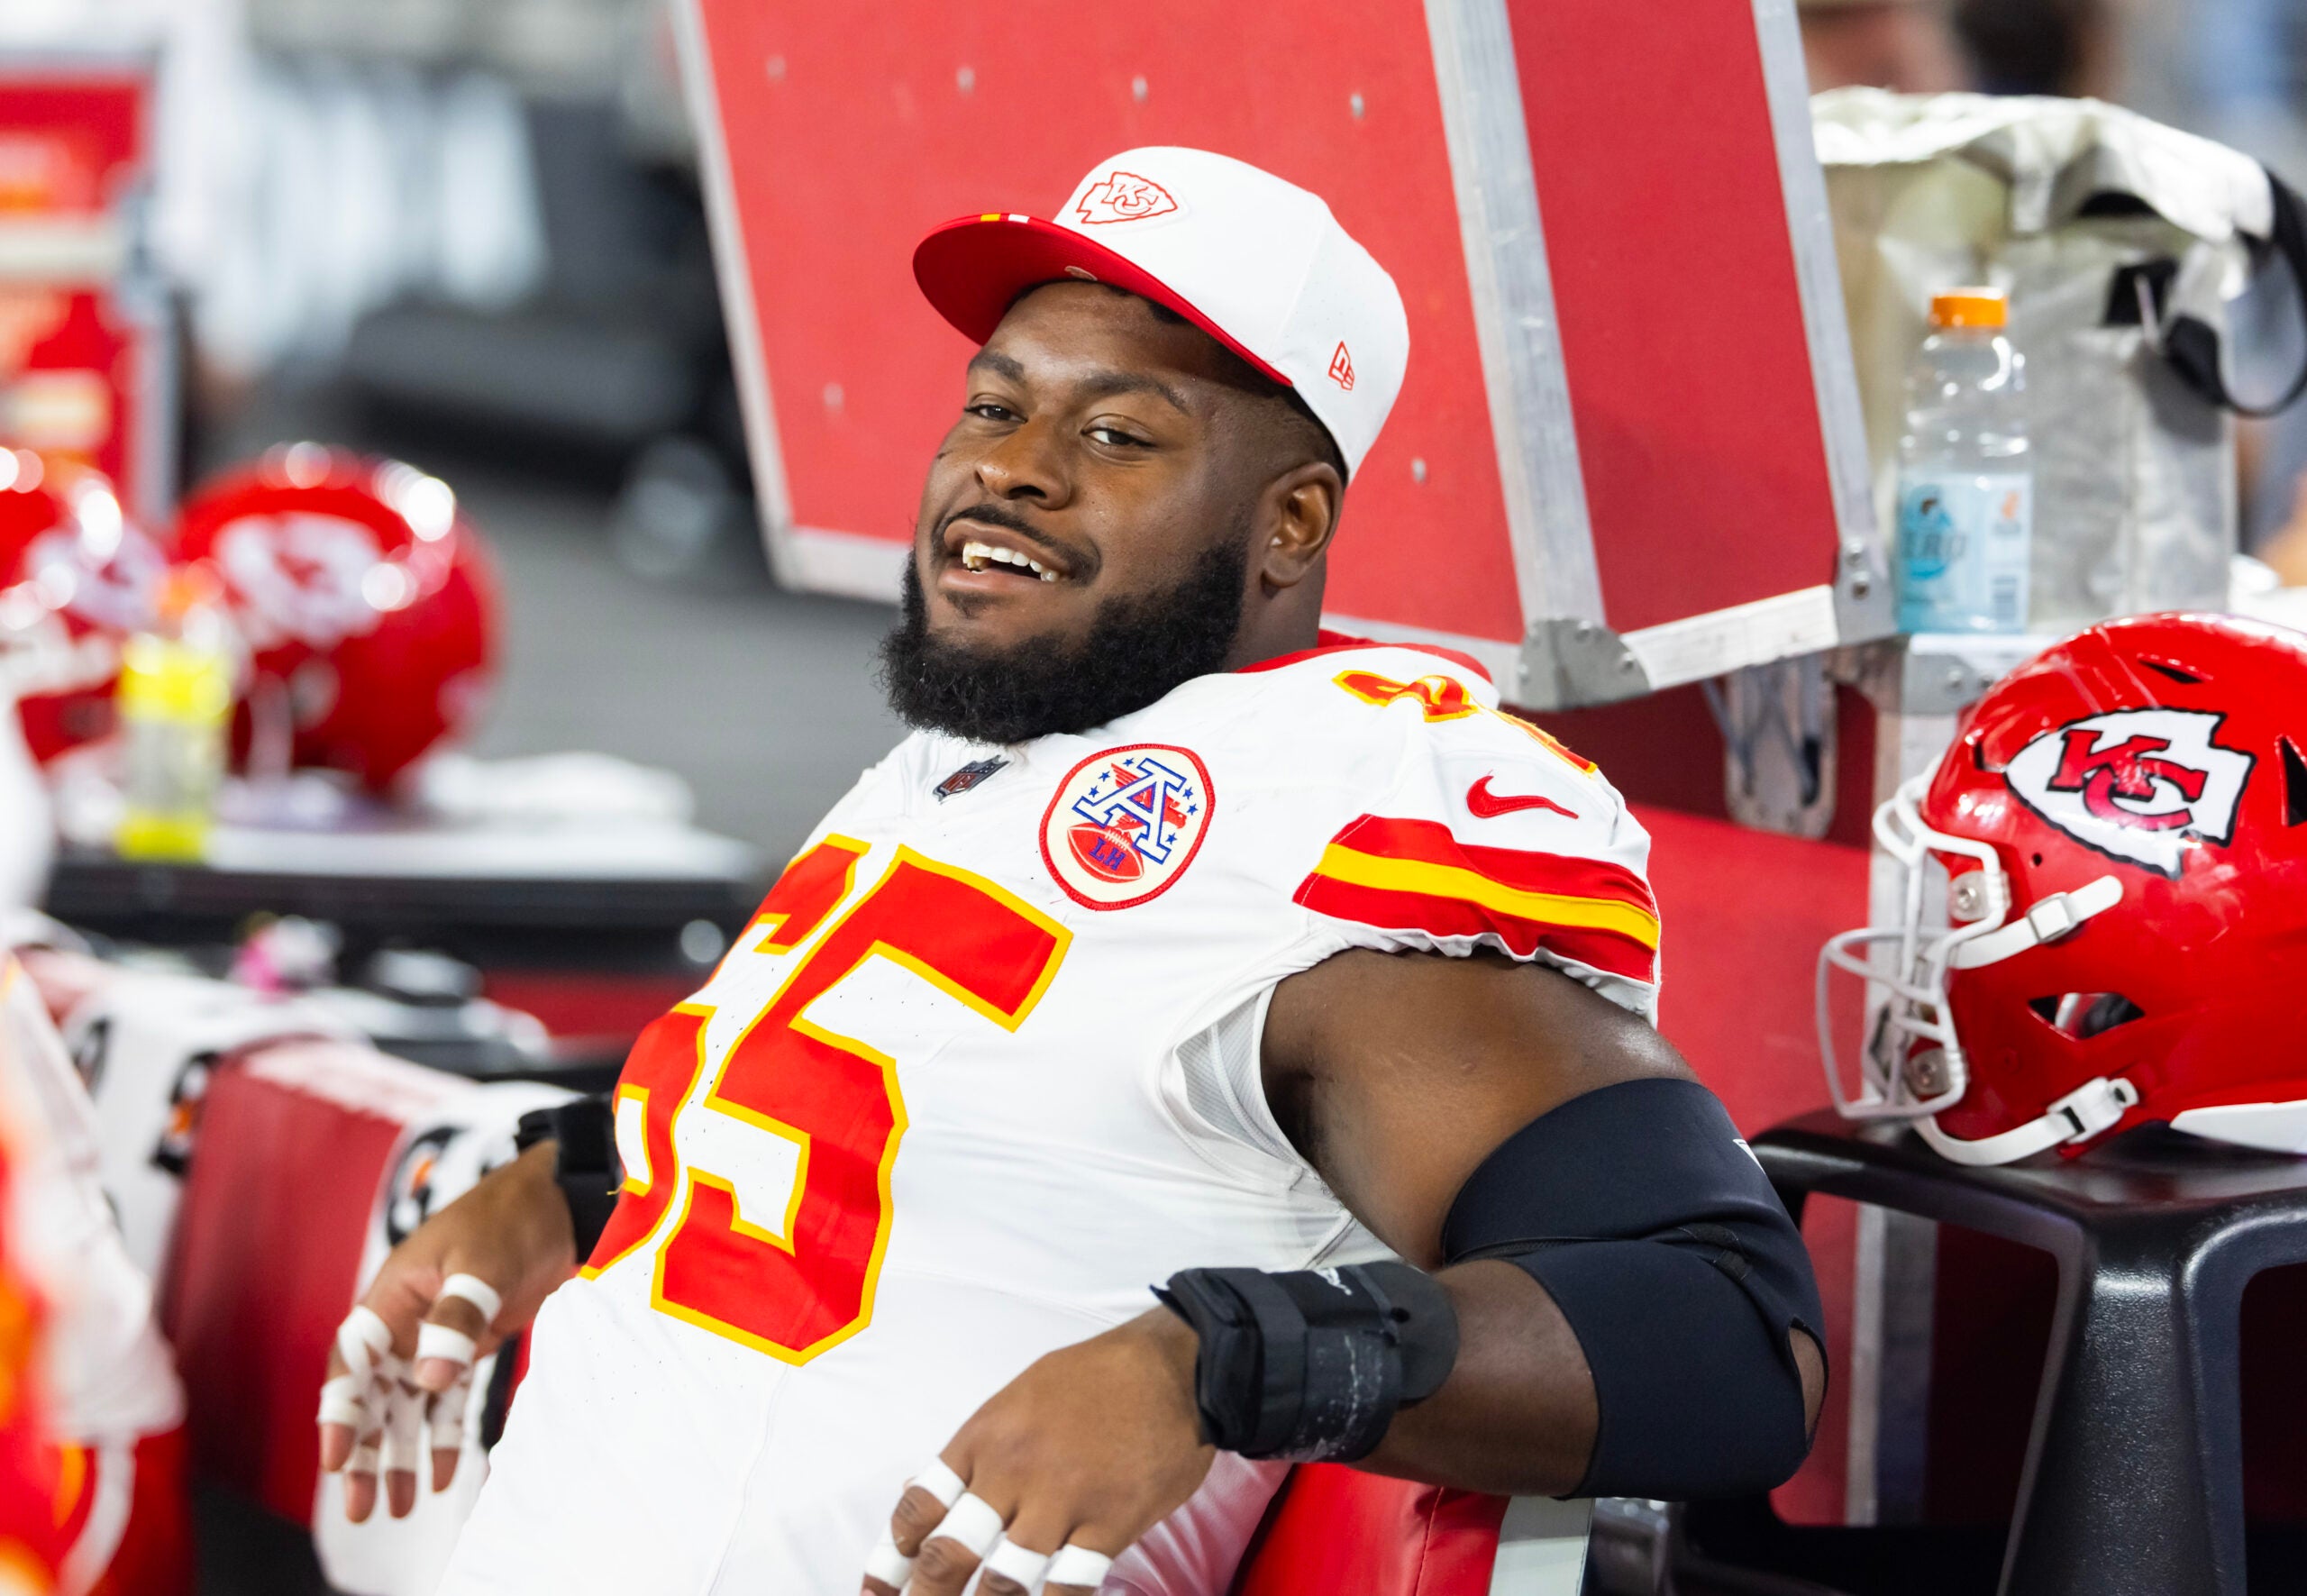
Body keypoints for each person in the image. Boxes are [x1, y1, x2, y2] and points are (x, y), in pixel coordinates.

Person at [316, 148, 1828, 1596]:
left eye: (1118, 434)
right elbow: (936, 1144)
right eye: (994, 407)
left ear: (1291, 522)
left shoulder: (1341, 809)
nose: (1012, 473)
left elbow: (1726, 1328)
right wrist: (587, 1183)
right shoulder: (980, 748)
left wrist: (1221, 1361)